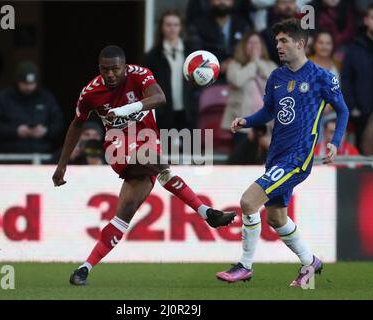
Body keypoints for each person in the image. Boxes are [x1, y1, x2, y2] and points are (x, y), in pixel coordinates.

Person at [51, 45, 236, 286]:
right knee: (155, 161)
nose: (110, 74)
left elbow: (160, 97)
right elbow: (77, 125)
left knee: (124, 214)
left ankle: (84, 268)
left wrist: (124, 110)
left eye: (115, 69)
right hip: (117, 146)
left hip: (148, 145)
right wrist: (62, 165)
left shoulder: (139, 74)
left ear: (124, 67)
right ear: (99, 68)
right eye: (105, 69)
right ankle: (207, 213)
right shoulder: (90, 92)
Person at [216, 18, 349, 287]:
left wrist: (335, 140)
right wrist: (247, 120)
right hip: (276, 155)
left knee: (248, 201)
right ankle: (310, 261)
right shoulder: (276, 77)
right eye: (276, 41)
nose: (278, 45)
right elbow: (268, 112)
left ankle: (245, 266)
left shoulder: (322, 77)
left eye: (284, 41)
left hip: (297, 157)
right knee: (277, 217)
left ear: (300, 44)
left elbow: (343, 110)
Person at [0, 61, 63, 154]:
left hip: (40, 154)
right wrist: (15, 131)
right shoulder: (3, 98)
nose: (29, 87)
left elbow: (58, 123)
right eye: (25, 83)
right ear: (18, 81)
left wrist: (45, 131)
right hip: (9, 155)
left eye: (32, 83)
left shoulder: (46, 98)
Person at [221, 31, 276, 151]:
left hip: (266, 123)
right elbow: (237, 80)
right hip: (241, 121)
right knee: (244, 156)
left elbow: (274, 82)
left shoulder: (270, 65)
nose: (254, 46)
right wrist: (253, 63)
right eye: (250, 43)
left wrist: (258, 63)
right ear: (243, 46)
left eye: (257, 43)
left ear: (262, 46)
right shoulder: (234, 65)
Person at [341, 2, 373, 152]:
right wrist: (352, 108)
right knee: (365, 162)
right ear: (366, 20)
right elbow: (346, 79)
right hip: (362, 115)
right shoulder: (354, 48)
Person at [145, 10, 196, 131]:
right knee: (165, 149)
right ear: (162, 27)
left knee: (190, 148)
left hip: (188, 112)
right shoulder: (153, 56)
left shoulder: (191, 52)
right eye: (168, 24)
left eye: (176, 24)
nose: (172, 28)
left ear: (181, 27)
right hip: (163, 113)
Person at [186, 0, 251, 77]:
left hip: (239, 76)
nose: (222, 2)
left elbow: (249, 52)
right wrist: (217, 65)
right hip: (208, 78)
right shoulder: (198, 26)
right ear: (210, 1)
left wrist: (233, 63)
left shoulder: (243, 25)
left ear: (233, 2)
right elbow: (195, 55)